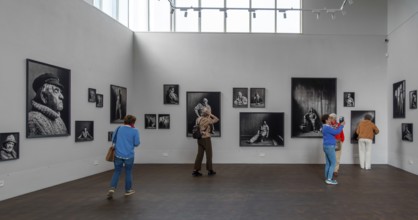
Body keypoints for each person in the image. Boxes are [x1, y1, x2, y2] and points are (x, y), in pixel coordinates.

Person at [107, 115, 140, 200]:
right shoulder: (135, 131)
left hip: (118, 154)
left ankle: (112, 188)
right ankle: (128, 190)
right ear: (133, 122)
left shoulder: (118, 128)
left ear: (124, 121)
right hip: (129, 155)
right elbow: (137, 143)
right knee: (128, 172)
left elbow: (113, 140)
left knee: (117, 171)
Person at [28, 73, 68, 137]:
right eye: (56, 91)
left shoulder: (58, 119)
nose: (62, 96)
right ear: (44, 96)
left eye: (61, 92)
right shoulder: (32, 120)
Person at [192, 107, 219, 177]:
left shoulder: (198, 119)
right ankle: (210, 170)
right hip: (206, 139)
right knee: (209, 155)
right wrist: (210, 114)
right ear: (206, 113)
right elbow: (216, 119)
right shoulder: (207, 119)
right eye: (207, 111)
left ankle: (195, 170)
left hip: (199, 138)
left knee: (199, 155)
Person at [321, 114, 345, 185]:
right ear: (326, 120)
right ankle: (329, 179)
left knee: (328, 163)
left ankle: (328, 177)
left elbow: (332, 129)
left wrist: (336, 126)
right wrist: (342, 125)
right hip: (330, 146)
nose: (330, 119)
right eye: (329, 118)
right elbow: (336, 132)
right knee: (333, 163)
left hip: (326, 146)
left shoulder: (324, 126)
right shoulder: (327, 127)